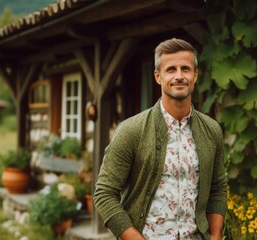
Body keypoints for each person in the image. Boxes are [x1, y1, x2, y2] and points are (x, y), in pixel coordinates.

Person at [94, 38, 228, 240]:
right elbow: (104, 194)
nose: (179, 76)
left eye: (185, 69)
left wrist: (216, 236)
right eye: (171, 69)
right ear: (158, 76)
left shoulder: (211, 130)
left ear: (195, 75)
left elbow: (217, 188)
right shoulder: (131, 131)